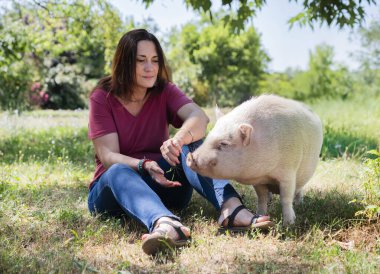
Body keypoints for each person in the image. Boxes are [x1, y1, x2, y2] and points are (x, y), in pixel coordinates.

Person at [87, 28, 274, 256]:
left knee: (193, 143)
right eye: (141, 60)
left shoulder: (164, 90)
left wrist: (178, 138)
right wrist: (143, 164)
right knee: (116, 170)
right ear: (125, 63)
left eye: (155, 60)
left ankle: (231, 209)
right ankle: (165, 223)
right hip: (114, 194)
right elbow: (108, 156)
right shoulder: (102, 97)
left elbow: (199, 117)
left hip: (166, 185)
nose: (150, 67)